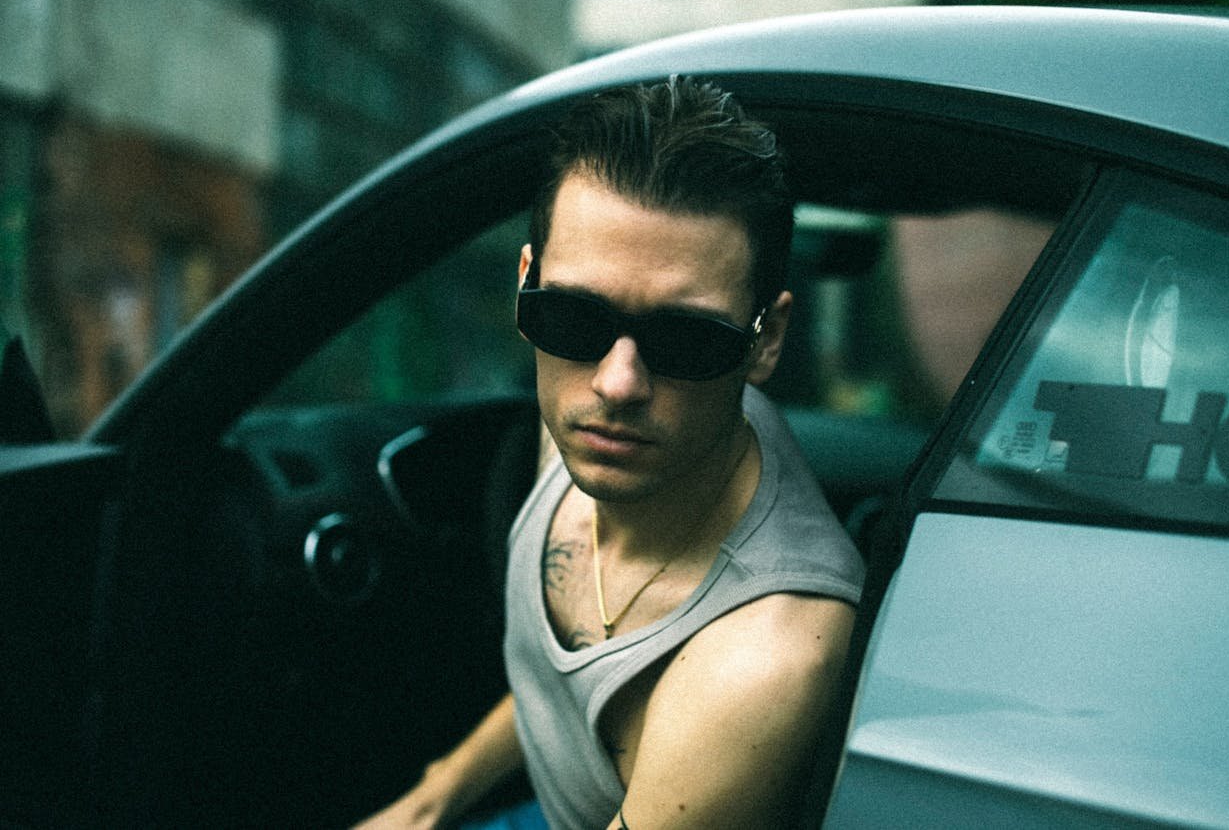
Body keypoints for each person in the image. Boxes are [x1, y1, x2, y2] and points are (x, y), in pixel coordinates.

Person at [357, 75, 864, 830]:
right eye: (572, 317)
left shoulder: (765, 648)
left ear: (767, 342)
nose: (618, 381)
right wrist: (436, 798)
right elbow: (570, 690)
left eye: (686, 339)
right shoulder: (599, 417)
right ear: (527, 286)